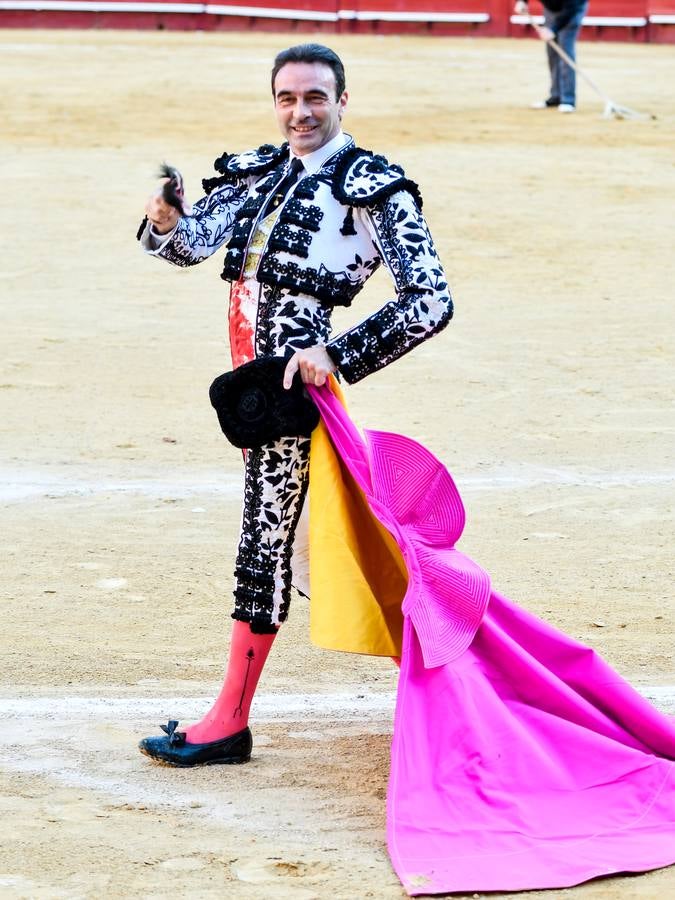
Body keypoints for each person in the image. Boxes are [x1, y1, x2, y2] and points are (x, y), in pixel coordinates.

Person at [136, 43, 453, 767]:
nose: (300, 112)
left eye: (315, 97)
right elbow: (193, 246)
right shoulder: (261, 169)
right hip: (251, 395)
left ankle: (226, 721)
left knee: (265, 547)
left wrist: (338, 355)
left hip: (293, 399)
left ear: (343, 101)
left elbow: (430, 301)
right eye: (287, 98)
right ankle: (450, 671)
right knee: (321, 548)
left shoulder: (371, 185)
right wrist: (165, 220)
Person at [515, 0, 588, 112]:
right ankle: (556, 97)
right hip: (551, 10)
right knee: (552, 53)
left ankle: (568, 100)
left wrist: (553, 29)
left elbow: (571, 9)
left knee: (565, 51)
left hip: (572, 10)